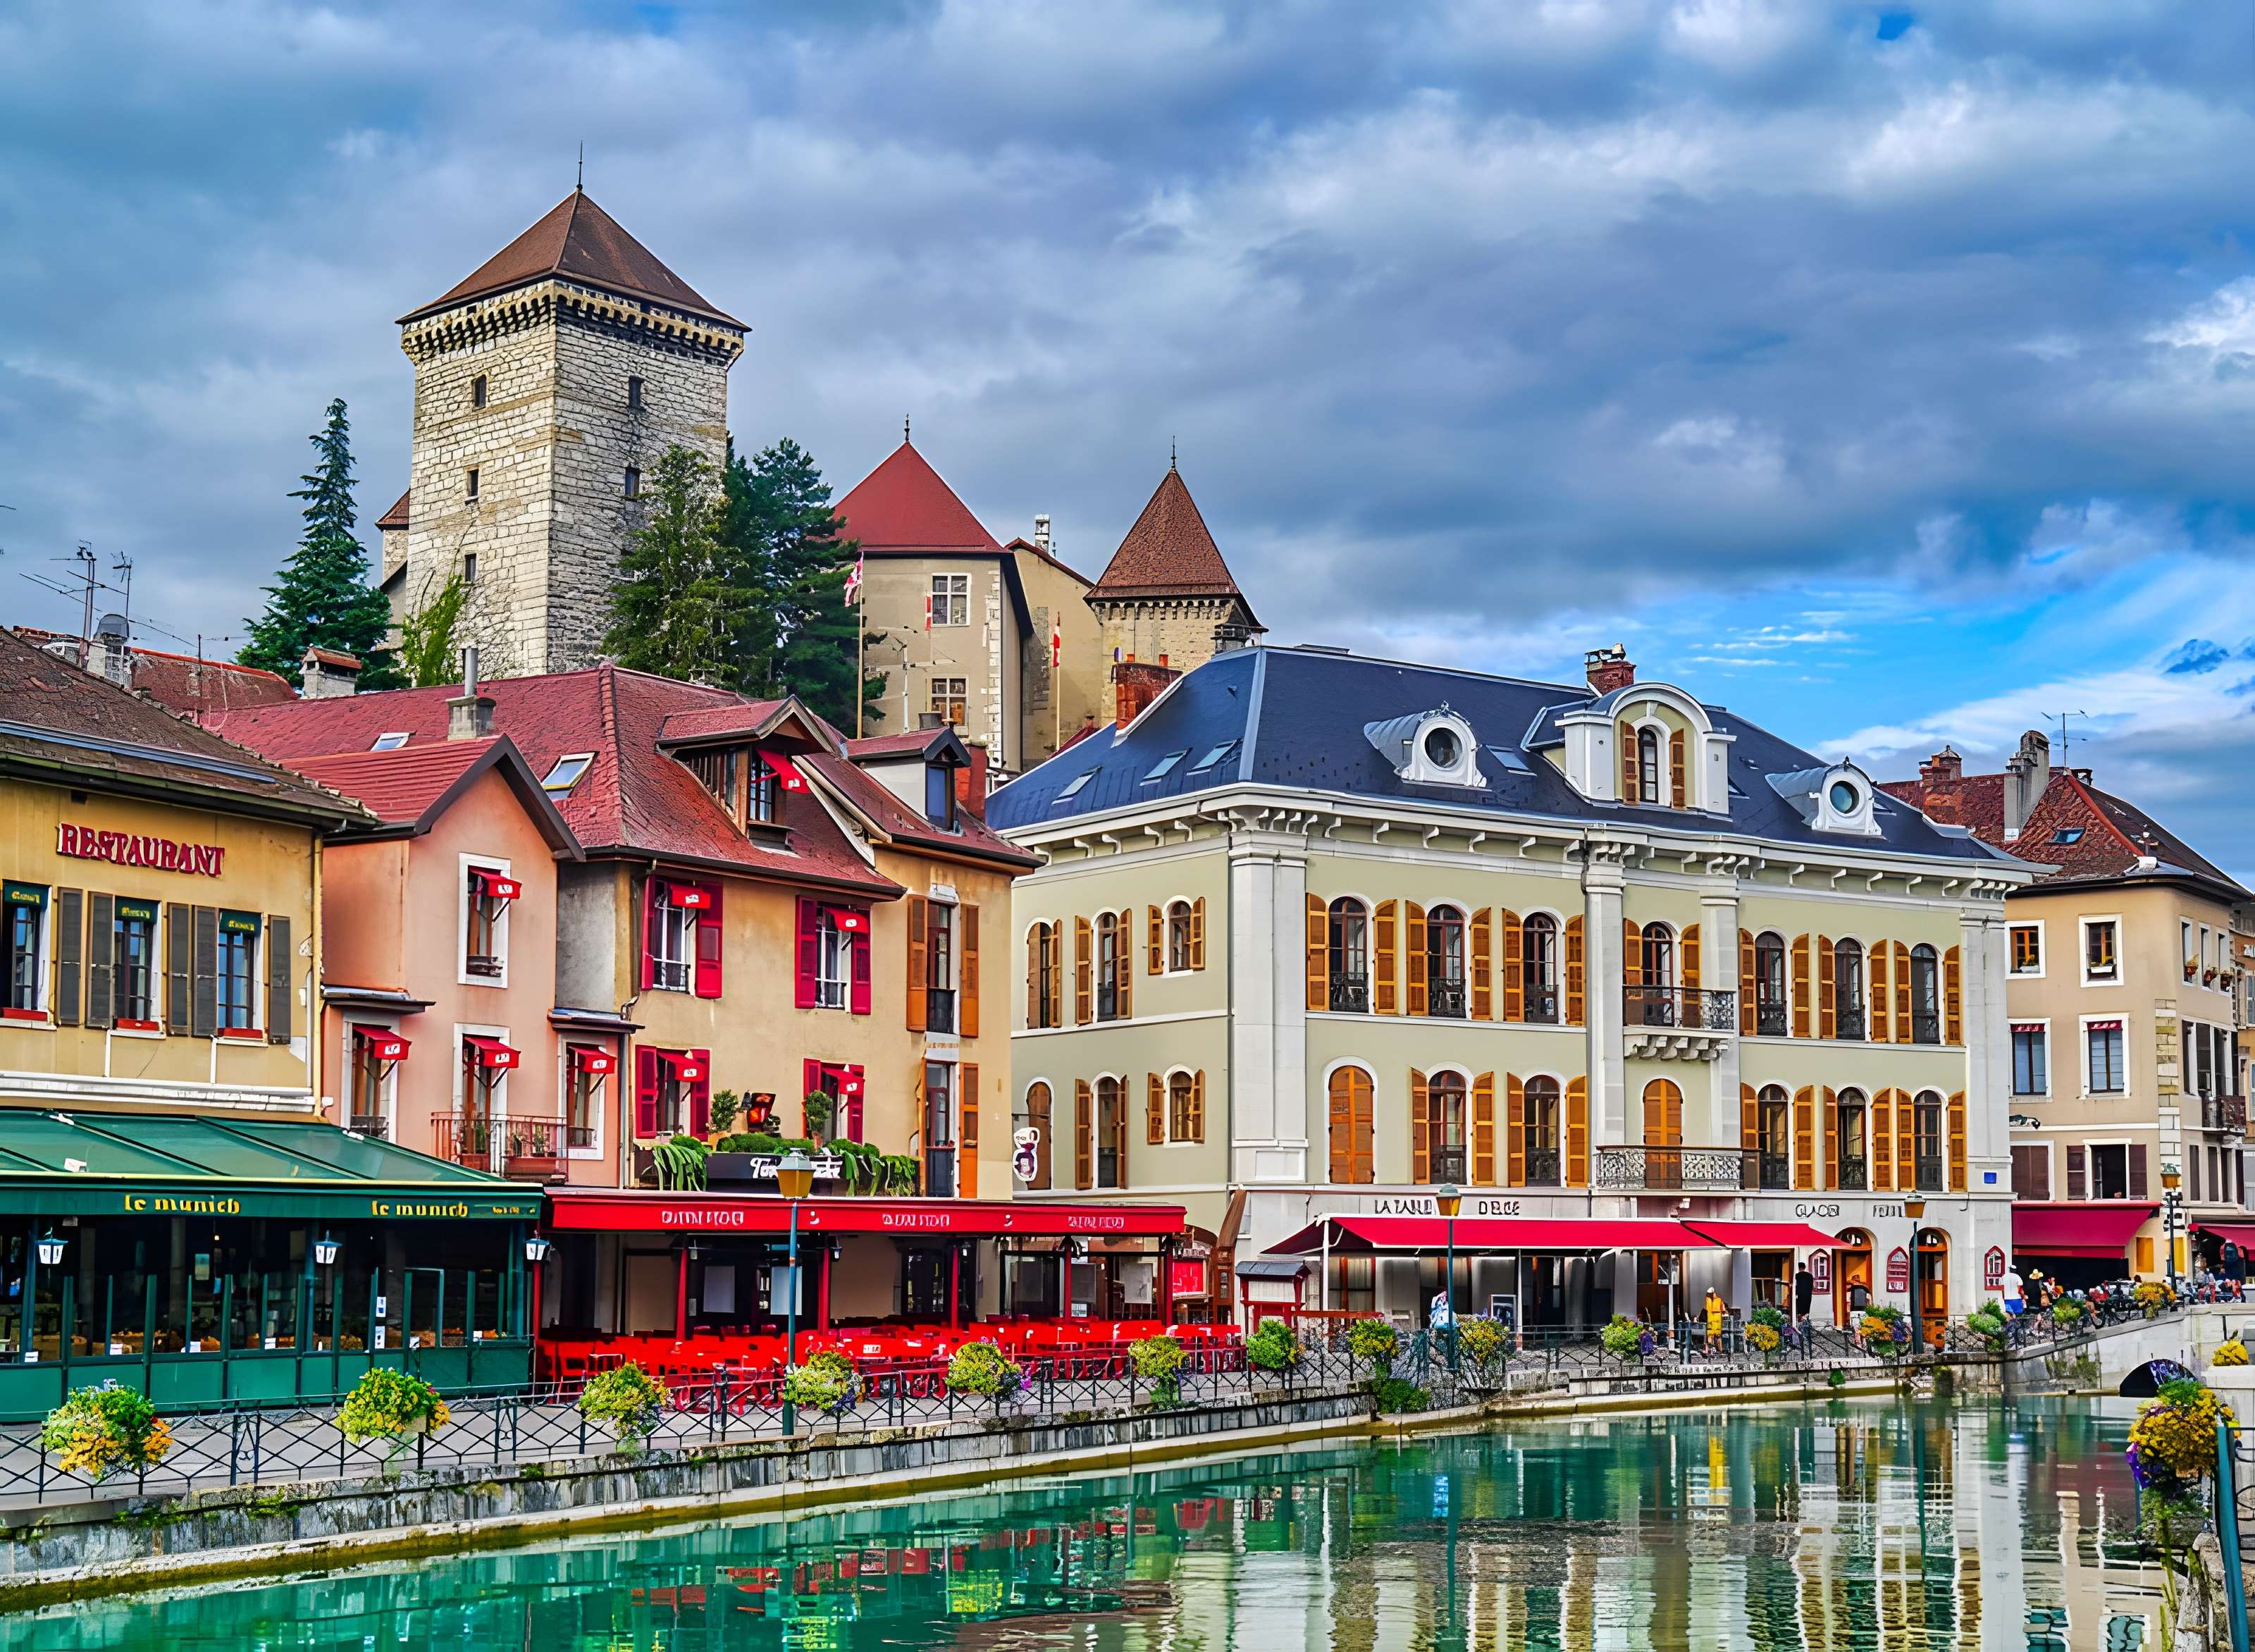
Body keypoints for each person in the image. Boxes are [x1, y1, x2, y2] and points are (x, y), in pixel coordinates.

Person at [1703, 1288, 1726, 1356]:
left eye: (1709, 1294)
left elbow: (1723, 1310)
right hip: (1711, 1321)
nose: (1707, 1295)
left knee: (1716, 1336)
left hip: (1716, 1321)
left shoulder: (1718, 1300)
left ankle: (1719, 1350)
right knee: (1711, 1336)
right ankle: (1712, 1351)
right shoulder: (1709, 1299)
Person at [1794, 1262, 1815, 1327]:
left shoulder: (1797, 1276)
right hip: (1808, 1295)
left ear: (1799, 1268)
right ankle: (1806, 1325)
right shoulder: (1810, 1275)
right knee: (1806, 1310)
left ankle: (1800, 1325)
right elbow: (1811, 1286)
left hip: (1800, 1295)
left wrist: (1796, 1293)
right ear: (1804, 1268)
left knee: (1800, 1310)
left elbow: (1796, 1286)